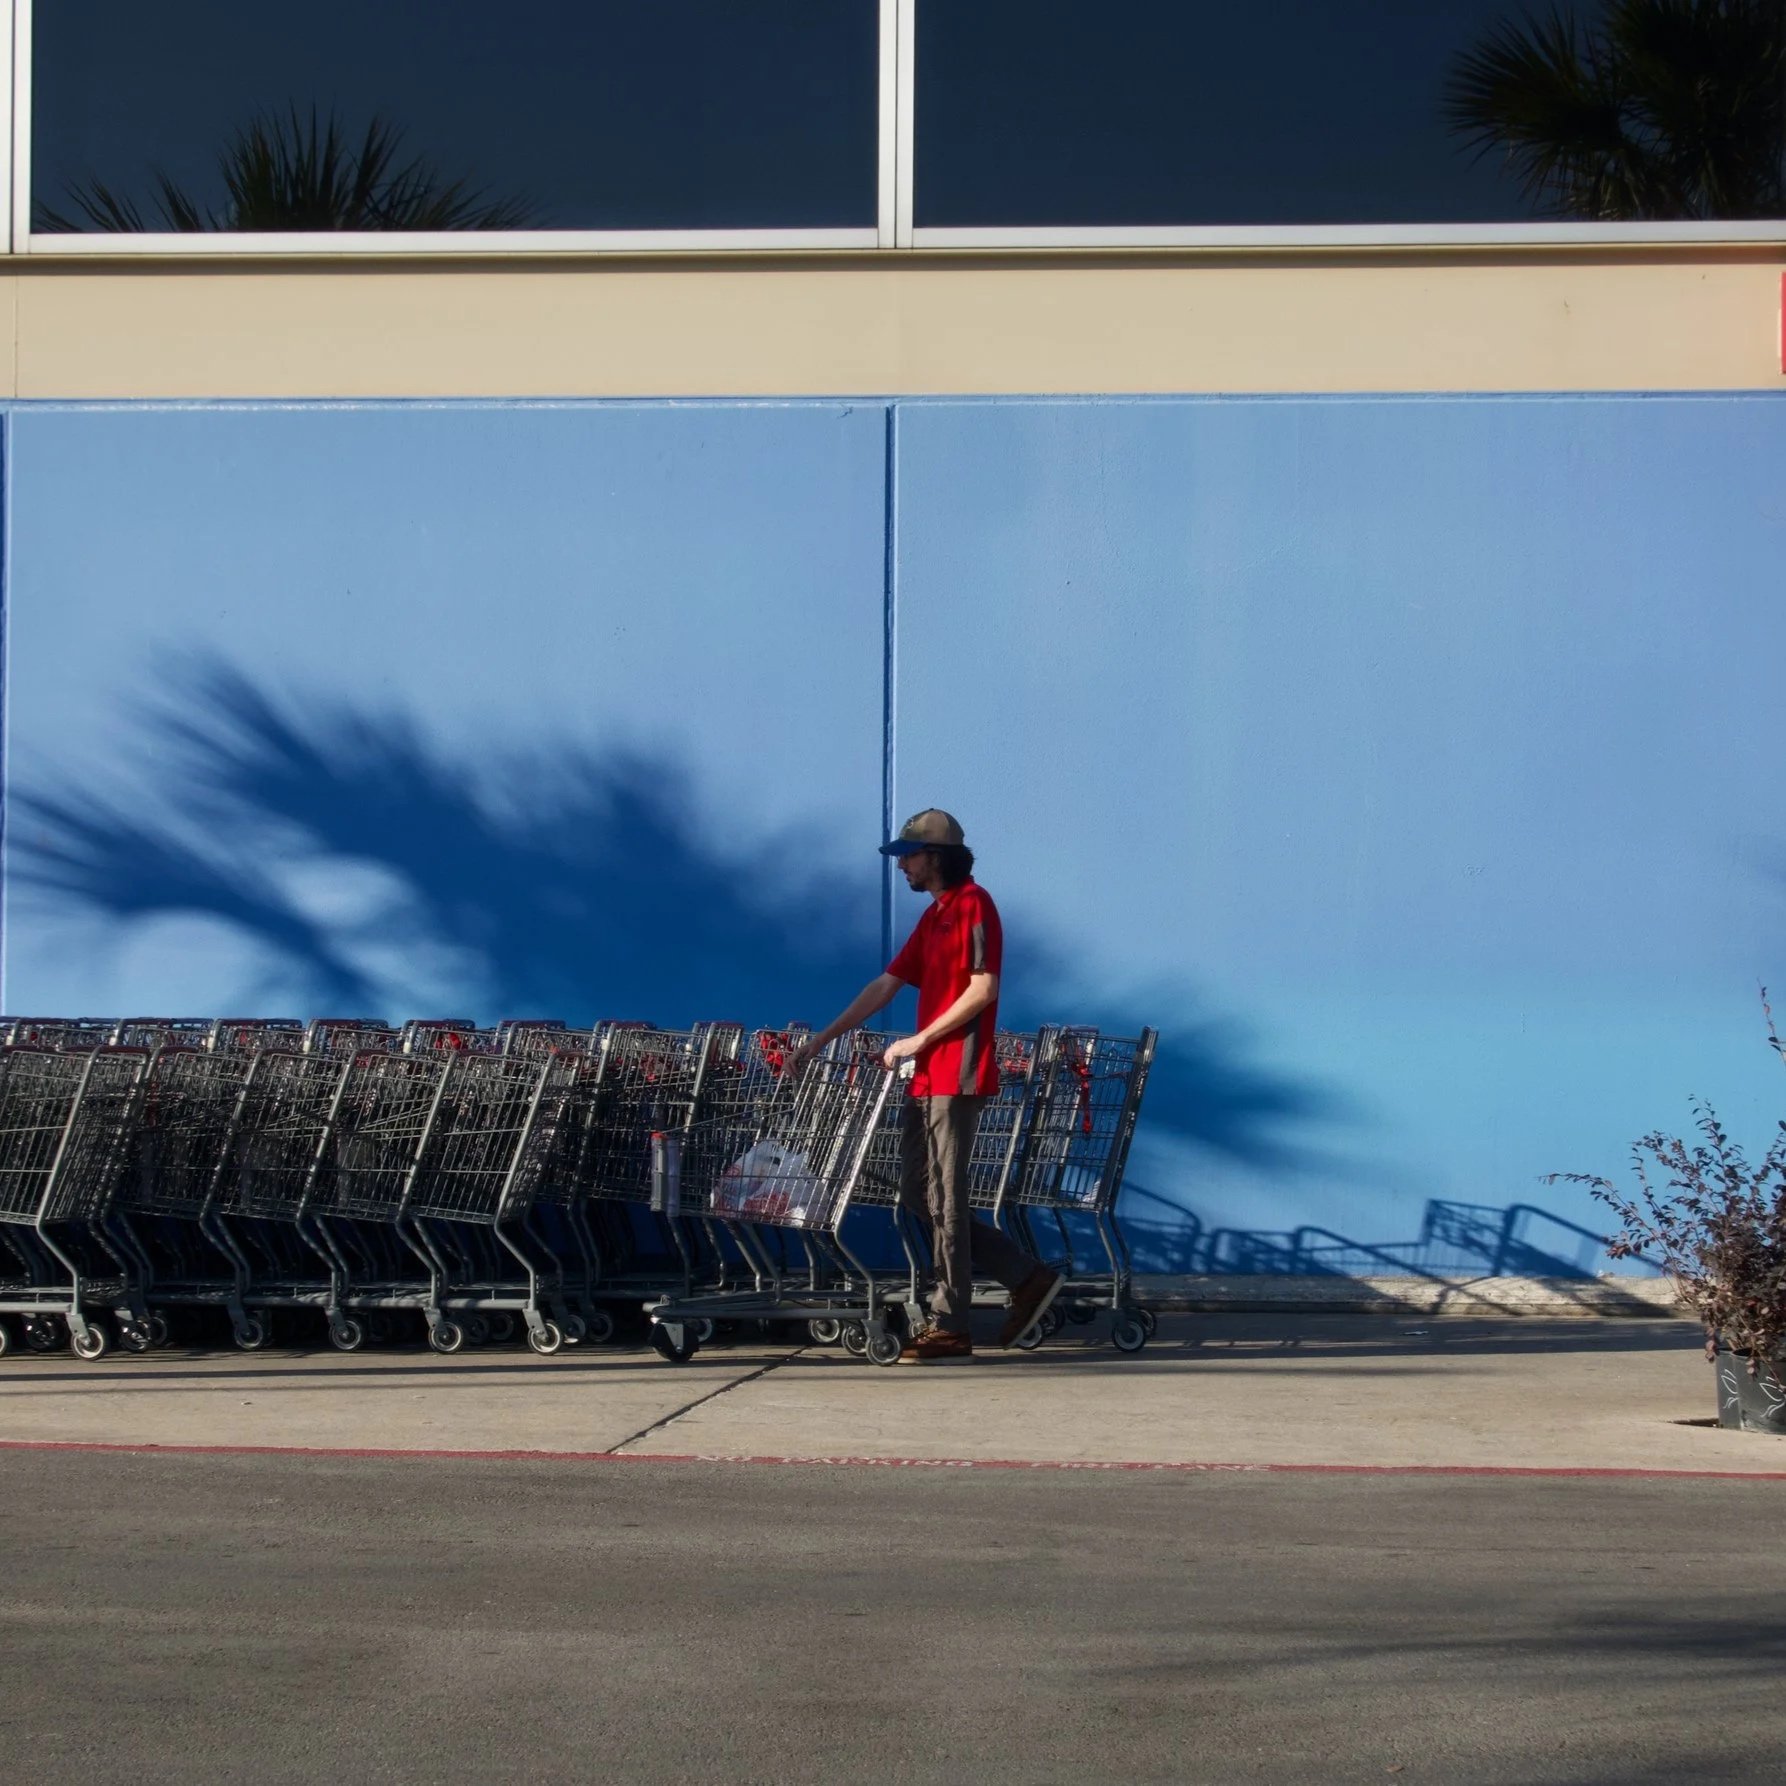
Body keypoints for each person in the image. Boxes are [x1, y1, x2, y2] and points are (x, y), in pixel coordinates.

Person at [792, 808, 1062, 1362]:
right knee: (920, 1193)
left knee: (947, 1195)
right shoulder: (935, 916)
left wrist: (920, 1040)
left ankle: (951, 1322)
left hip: (956, 1072)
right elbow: (885, 985)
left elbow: (983, 989)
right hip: (927, 1076)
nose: (903, 867)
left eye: (909, 857)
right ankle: (1024, 1276)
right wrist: (819, 1042)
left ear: (934, 858)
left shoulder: (972, 906)